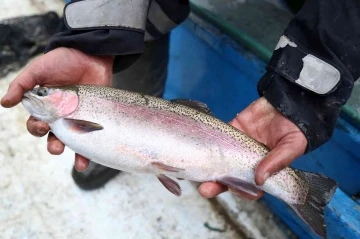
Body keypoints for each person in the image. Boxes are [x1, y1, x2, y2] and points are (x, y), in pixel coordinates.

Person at [1, 0, 359, 201]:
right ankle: (116, 157)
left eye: (44, 92)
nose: (36, 95)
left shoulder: (73, 117)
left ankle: (301, 190)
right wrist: (92, 39)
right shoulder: (72, 115)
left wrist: (302, 94)